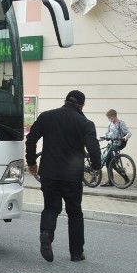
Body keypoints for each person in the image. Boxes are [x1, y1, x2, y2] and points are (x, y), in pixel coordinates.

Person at [25, 90, 101, 263]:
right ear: (82, 105)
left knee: (51, 207)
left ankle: (47, 234)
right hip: (72, 177)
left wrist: (31, 162)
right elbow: (94, 149)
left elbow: (31, 139)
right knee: (74, 213)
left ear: (65, 100)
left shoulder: (47, 117)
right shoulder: (85, 123)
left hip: (49, 173)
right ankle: (76, 253)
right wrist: (96, 167)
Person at [100, 109, 133, 187]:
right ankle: (113, 181)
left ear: (114, 116)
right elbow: (108, 133)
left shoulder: (121, 123)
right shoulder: (110, 124)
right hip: (111, 144)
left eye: (109, 117)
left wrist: (125, 137)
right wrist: (103, 137)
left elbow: (129, 133)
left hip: (117, 144)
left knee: (112, 163)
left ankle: (122, 179)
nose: (109, 119)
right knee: (109, 163)